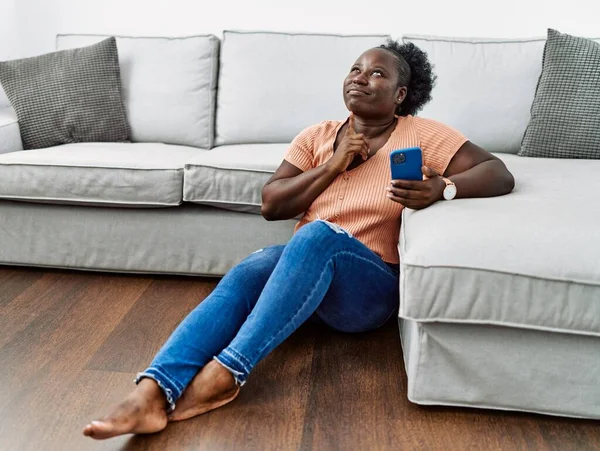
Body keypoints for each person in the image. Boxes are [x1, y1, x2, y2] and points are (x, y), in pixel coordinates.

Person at [83, 40, 515, 440]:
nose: (360, 77)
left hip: (369, 288)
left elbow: (498, 172)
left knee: (316, 236)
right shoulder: (317, 136)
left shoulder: (422, 134)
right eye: (355, 69)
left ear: (400, 95)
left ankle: (226, 374)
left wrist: (442, 188)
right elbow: (272, 204)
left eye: (377, 74)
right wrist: (333, 165)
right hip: (302, 278)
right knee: (254, 267)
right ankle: (152, 390)